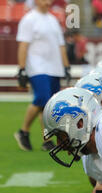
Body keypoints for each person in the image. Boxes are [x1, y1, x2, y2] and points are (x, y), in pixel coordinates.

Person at [14, 0, 71, 152]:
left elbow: (61, 46)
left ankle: (47, 139)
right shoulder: (29, 19)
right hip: (37, 66)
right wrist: (21, 69)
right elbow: (23, 46)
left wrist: (66, 67)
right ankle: (23, 131)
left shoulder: (53, 20)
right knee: (41, 99)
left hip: (54, 67)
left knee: (49, 106)